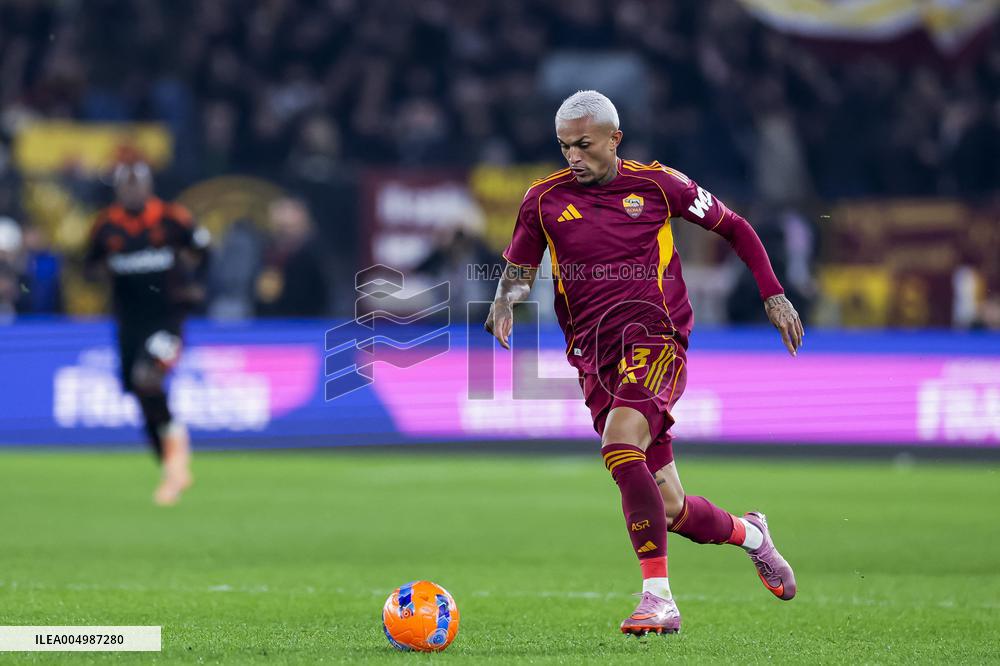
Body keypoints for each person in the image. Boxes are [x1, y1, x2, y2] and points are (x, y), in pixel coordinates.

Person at [485, 91, 804, 635]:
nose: (574, 158)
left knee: (620, 442)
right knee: (672, 507)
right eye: (564, 148)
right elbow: (520, 265)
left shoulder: (658, 185)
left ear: (615, 139)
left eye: (584, 146)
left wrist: (772, 294)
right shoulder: (542, 200)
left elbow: (737, 228)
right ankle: (752, 534)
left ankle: (658, 599)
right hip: (593, 357)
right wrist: (502, 301)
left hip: (656, 339)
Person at [85, 161, 210, 506]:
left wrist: (195, 286)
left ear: (148, 186)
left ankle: (176, 462)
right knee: (141, 396)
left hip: (167, 320)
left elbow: (203, 250)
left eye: (137, 185)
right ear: (118, 189)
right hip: (129, 324)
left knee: (147, 376)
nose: (132, 192)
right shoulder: (106, 225)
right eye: (125, 186)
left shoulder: (172, 218)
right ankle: (171, 466)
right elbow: (89, 264)